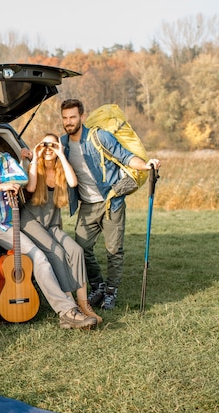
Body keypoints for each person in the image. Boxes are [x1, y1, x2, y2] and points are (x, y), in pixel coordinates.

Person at [0, 124, 96, 329]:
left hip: (5, 224)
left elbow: (23, 179)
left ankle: (67, 311)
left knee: (39, 258)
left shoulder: (6, 160)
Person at [60, 99, 162, 310]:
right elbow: (48, 158)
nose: (68, 122)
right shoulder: (63, 143)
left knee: (114, 250)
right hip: (87, 205)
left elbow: (124, 156)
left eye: (72, 117)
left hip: (111, 201)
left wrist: (145, 165)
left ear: (82, 117)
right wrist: (30, 156)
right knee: (81, 249)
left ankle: (110, 292)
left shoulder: (98, 137)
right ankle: (97, 286)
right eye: (65, 118)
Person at [20, 133, 103, 324]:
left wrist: (62, 155)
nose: (49, 149)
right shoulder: (35, 167)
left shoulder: (61, 168)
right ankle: (68, 304)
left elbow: (73, 183)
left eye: (53, 145)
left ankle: (83, 304)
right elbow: (31, 188)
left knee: (76, 251)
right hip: (31, 221)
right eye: (45, 145)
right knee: (56, 251)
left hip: (52, 222)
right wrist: (35, 155)